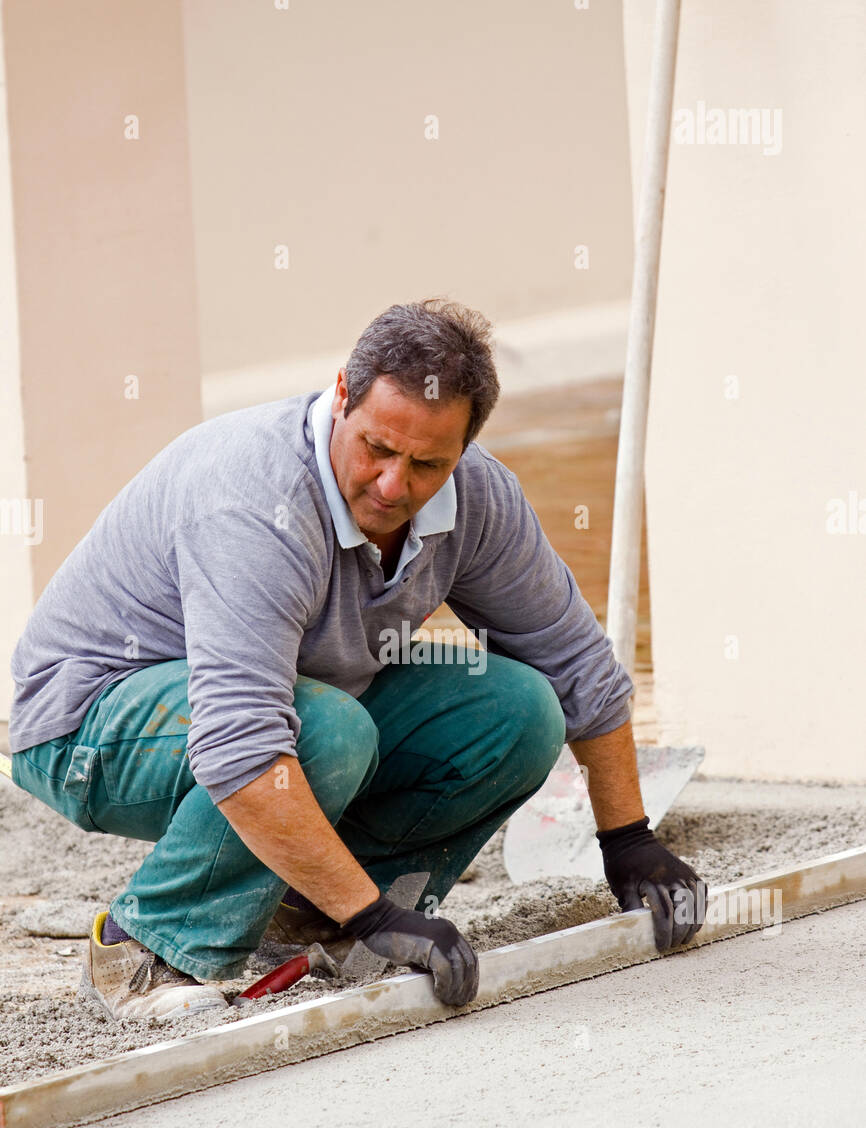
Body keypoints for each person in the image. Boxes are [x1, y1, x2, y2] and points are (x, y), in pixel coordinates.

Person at [7, 298, 706, 1022]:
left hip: (284, 707)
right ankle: (143, 953)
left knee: (521, 712)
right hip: (86, 725)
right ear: (341, 394)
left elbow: (574, 664)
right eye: (377, 448)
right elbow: (240, 742)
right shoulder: (254, 502)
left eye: (428, 463)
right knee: (326, 733)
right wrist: (371, 915)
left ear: (464, 448)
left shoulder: (476, 498)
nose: (393, 486)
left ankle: (314, 917)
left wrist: (629, 838)